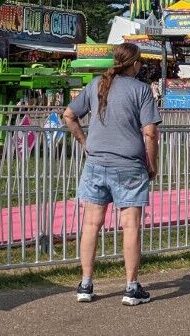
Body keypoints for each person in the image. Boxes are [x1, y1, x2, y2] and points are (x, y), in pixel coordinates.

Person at [62, 44, 160, 306]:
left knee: (91, 224)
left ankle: (86, 283)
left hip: (95, 164)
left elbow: (69, 115)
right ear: (135, 64)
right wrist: (153, 164)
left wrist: (85, 142)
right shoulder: (141, 90)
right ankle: (130, 287)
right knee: (130, 226)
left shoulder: (96, 85)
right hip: (129, 165)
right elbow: (150, 133)